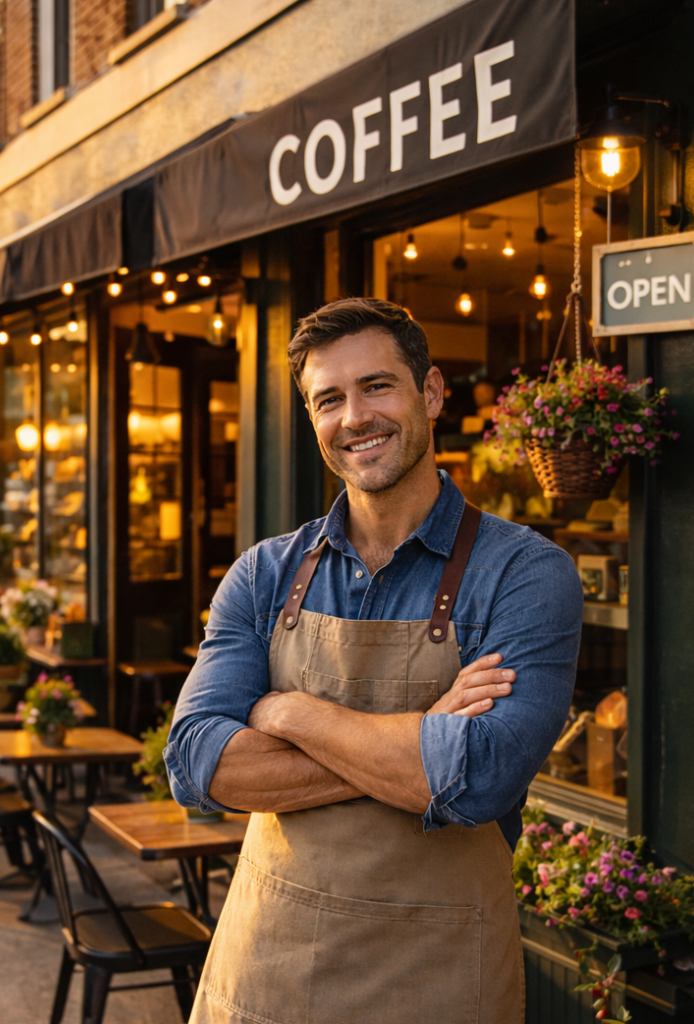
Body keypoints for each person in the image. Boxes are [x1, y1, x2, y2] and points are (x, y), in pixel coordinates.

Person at [164, 298, 583, 1024]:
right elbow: (199, 765)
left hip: (441, 978)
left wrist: (285, 712)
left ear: (430, 392)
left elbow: (478, 777)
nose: (355, 417)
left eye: (377, 386)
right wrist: (420, 734)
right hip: (268, 971)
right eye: (329, 399)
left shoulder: (526, 573)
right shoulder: (264, 574)